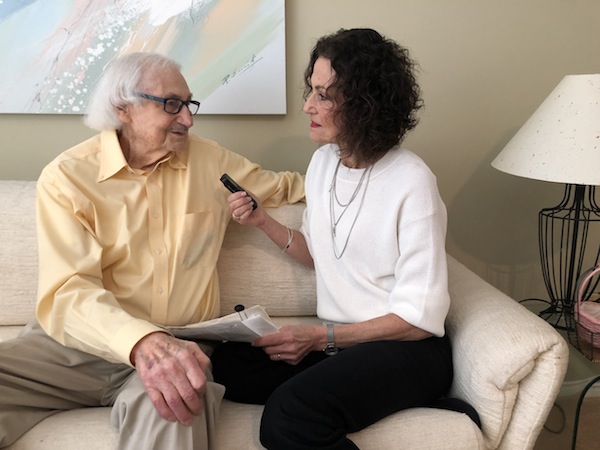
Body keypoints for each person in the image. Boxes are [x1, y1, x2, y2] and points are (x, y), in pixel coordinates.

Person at [0, 52, 305, 449]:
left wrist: (365, 169)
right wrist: (141, 341)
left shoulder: (212, 162)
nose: (188, 119)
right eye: (171, 104)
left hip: (178, 345)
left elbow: (288, 187)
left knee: (176, 405)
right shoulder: (68, 177)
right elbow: (68, 293)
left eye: (189, 104)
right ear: (123, 108)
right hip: (76, 348)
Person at [211, 28, 480, 449]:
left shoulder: (413, 182)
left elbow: (418, 320)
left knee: (288, 416)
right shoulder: (323, 164)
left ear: (364, 103)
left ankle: (417, 393)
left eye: (324, 95)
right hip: (345, 343)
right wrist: (263, 221)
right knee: (228, 364)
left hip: (406, 349)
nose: (307, 106)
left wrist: (319, 339)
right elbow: (319, 254)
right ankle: (411, 405)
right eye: (311, 91)